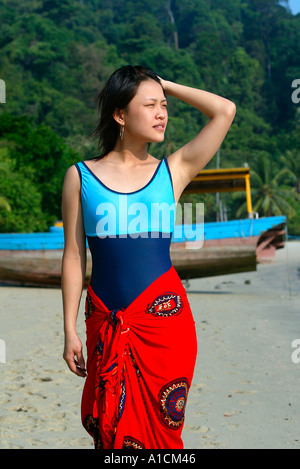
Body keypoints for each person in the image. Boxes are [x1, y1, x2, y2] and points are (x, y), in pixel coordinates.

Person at [61, 65, 236, 449]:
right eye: (150, 105)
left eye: (164, 105)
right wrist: (69, 328)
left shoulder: (173, 171)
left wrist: (165, 84)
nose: (162, 113)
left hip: (165, 324)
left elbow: (224, 110)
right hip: (104, 319)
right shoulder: (81, 177)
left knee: (163, 430)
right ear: (120, 115)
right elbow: (74, 257)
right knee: (107, 425)